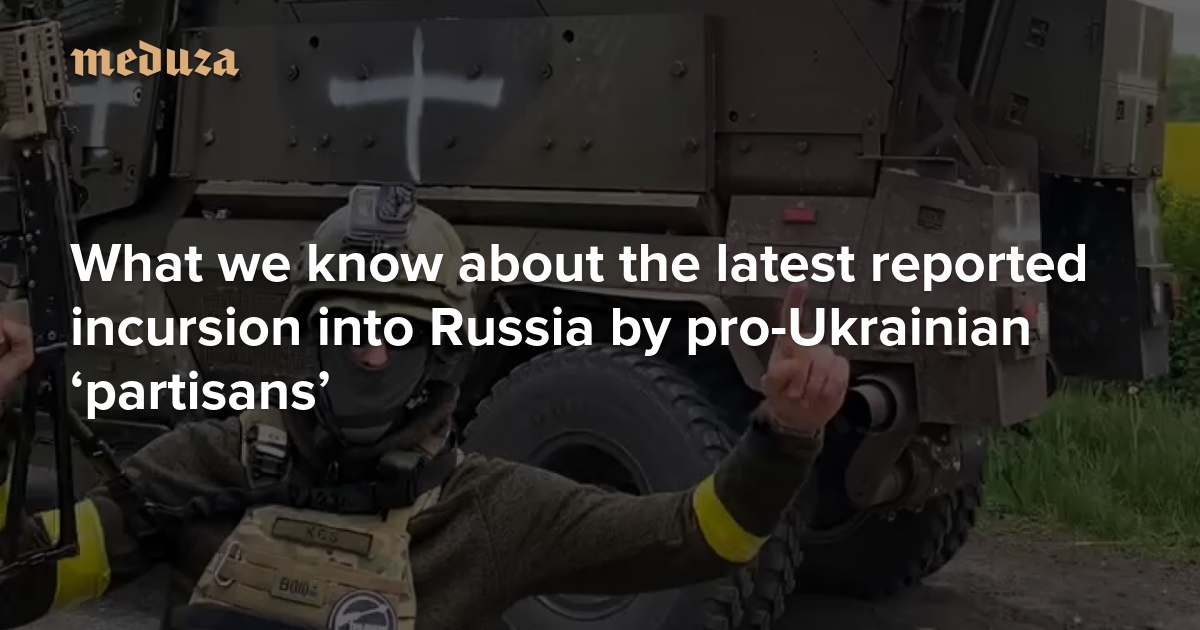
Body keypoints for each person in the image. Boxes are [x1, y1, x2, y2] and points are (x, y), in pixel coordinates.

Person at [0, 184, 849, 630]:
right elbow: (17, 583)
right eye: (349, 325)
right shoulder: (207, 468)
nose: (372, 355)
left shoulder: (492, 513)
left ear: (442, 359)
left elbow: (702, 534)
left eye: (400, 335)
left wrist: (785, 433)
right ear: (308, 336)